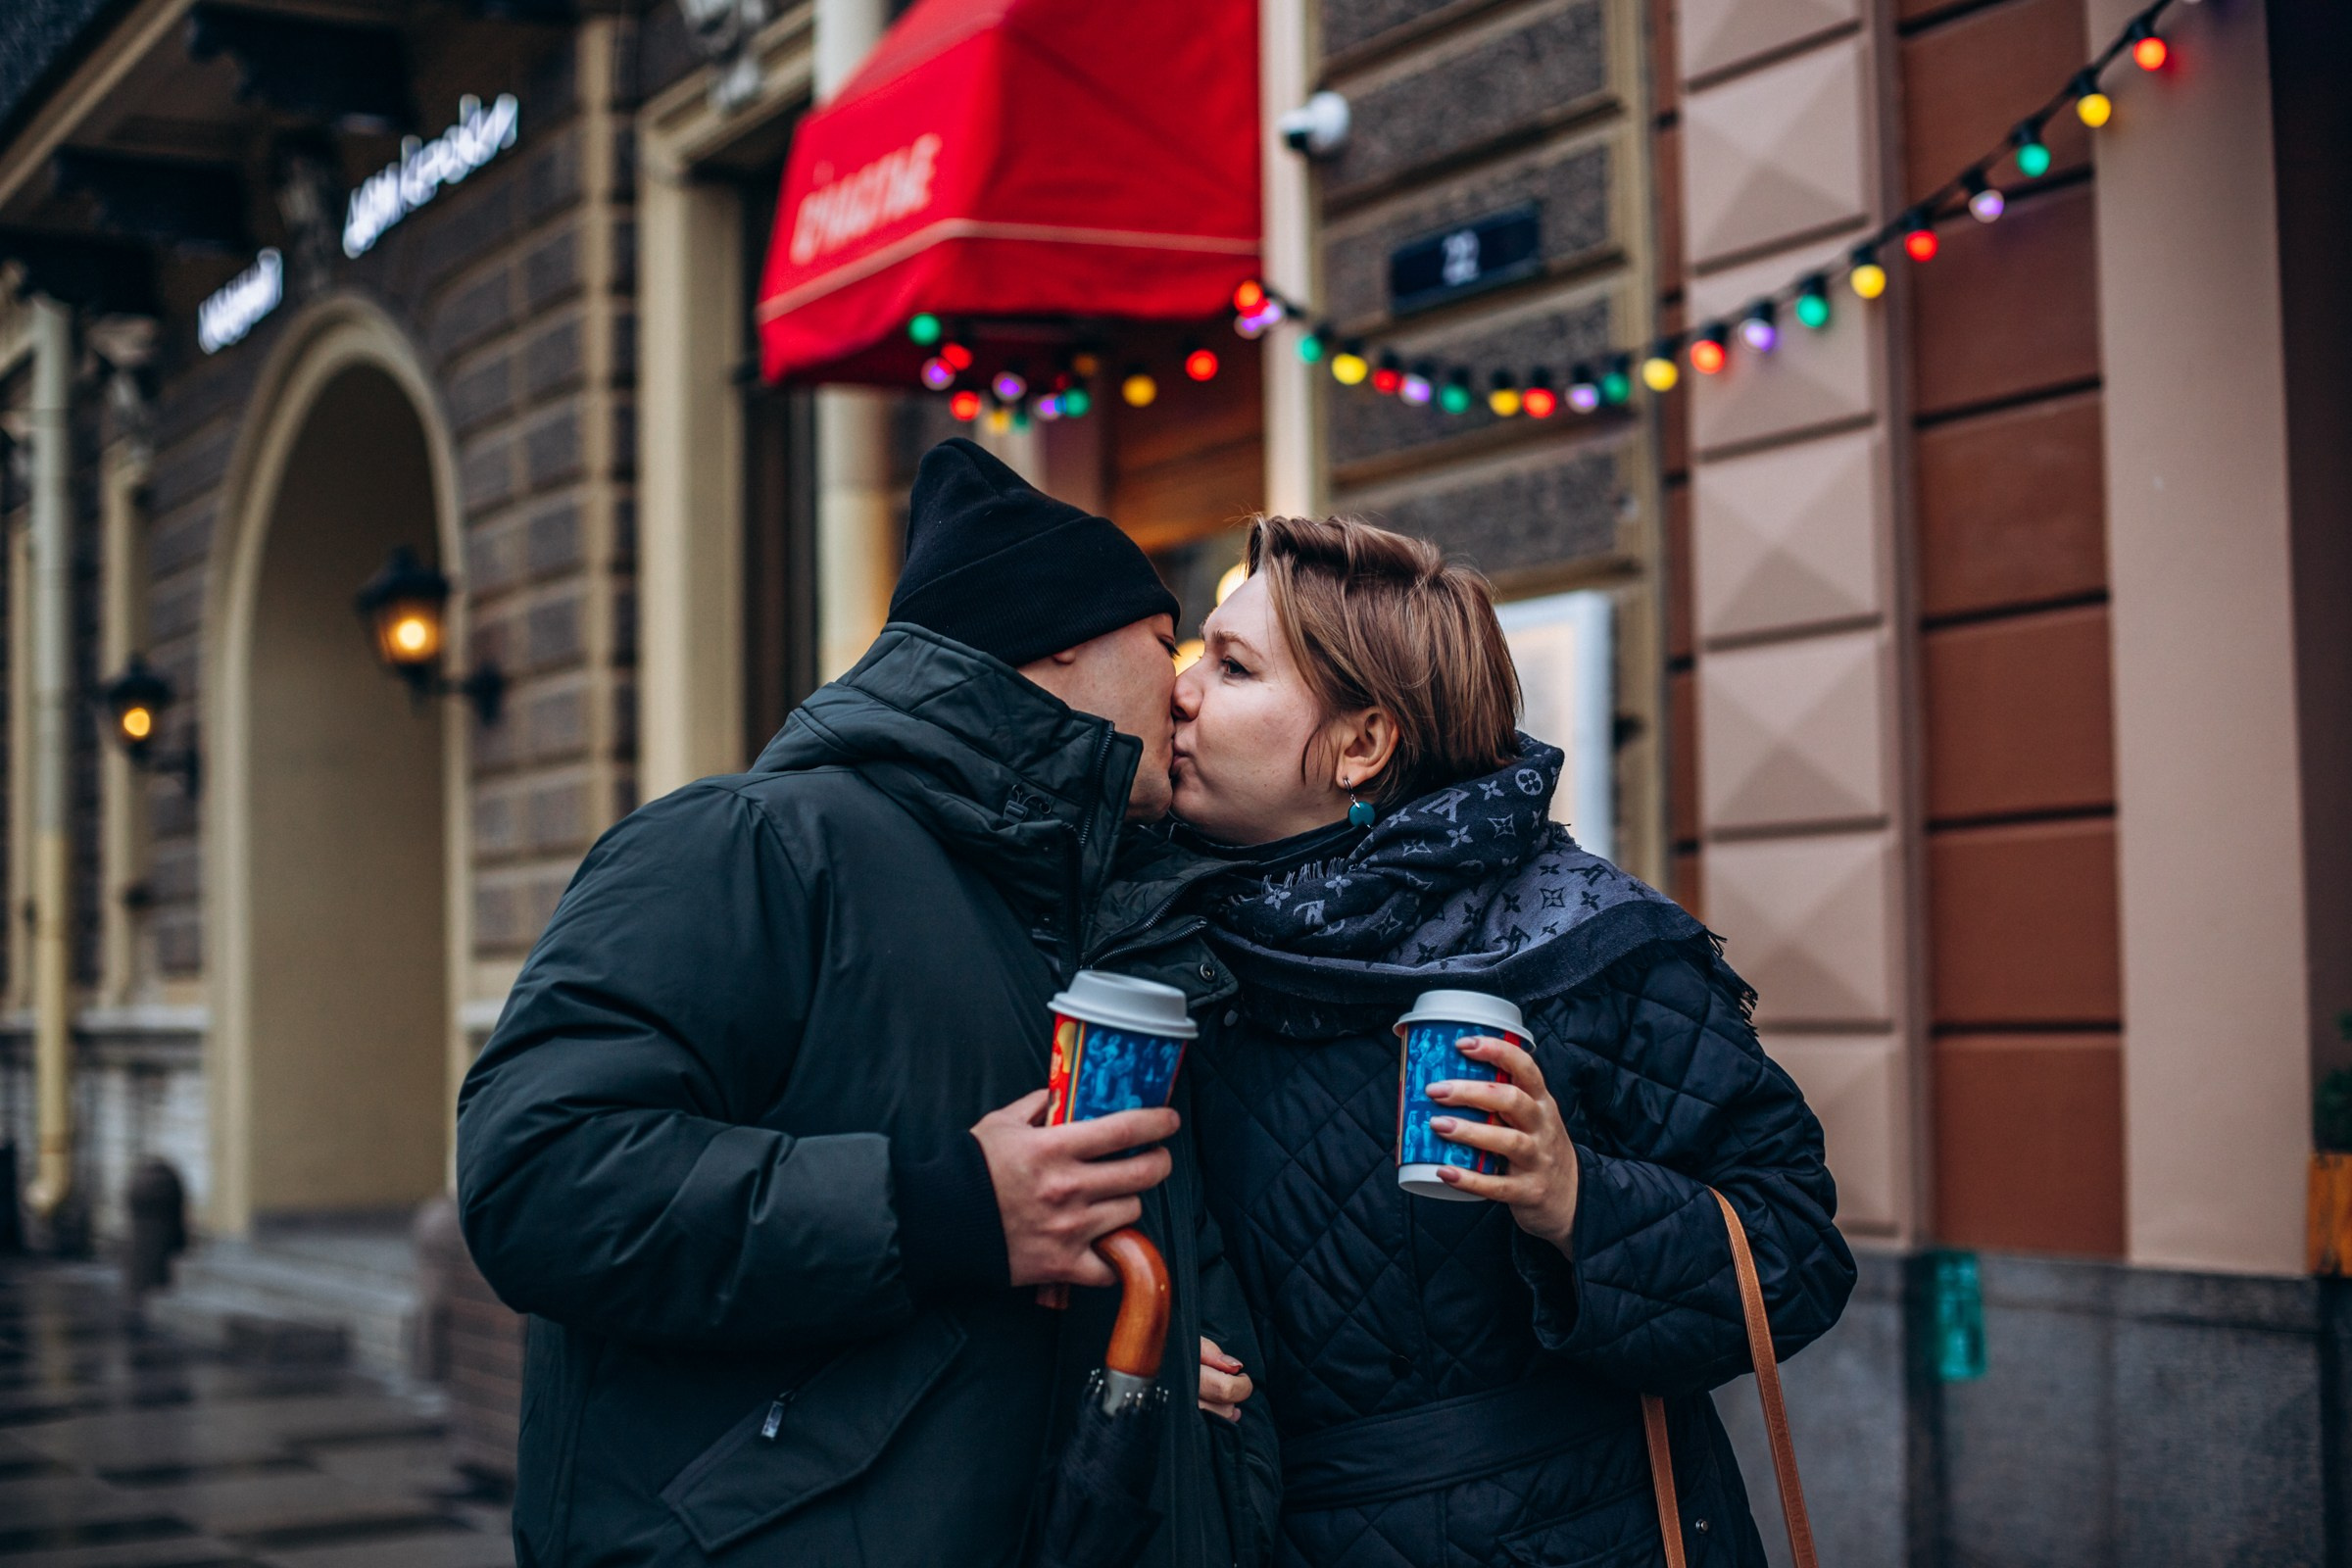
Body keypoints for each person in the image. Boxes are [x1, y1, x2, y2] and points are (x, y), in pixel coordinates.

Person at [456, 438, 1275, 1568]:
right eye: (1163, 641)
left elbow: (1014, 1275)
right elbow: (537, 1175)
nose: (1182, 685)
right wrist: (947, 1210)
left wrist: (1143, 1352)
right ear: (1062, 641)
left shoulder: (1064, 899)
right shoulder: (746, 843)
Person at [1166, 514, 1856, 1567]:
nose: (1183, 685)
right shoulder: (1161, 944)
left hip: (1572, 1531)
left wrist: (1577, 1201)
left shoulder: (1577, 943)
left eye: (1234, 666)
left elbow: (1794, 1253)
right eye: (1198, 651)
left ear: (1362, 742)